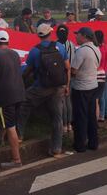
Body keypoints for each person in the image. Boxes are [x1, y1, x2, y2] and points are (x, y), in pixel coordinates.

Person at [18, 24, 69, 157]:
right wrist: (66, 85)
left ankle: (19, 135)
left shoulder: (35, 51)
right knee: (57, 118)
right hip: (58, 87)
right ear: (50, 34)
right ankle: (57, 148)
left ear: (38, 35)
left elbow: (28, 70)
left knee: (24, 104)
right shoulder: (60, 47)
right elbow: (67, 67)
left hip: (41, 87)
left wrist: (20, 81)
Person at [0, 30, 26, 167]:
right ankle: (3, 139)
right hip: (20, 92)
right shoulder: (15, 54)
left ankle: (16, 159)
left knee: (10, 126)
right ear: (7, 42)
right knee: (13, 123)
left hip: (6, 96)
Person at [70, 27, 101, 153]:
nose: (76, 37)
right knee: (91, 116)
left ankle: (80, 144)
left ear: (84, 36)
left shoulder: (82, 51)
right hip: (93, 85)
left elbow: (73, 70)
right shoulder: (96, 49)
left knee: (80, 117)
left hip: (81, 88)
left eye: (77, 35)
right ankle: (93, 142)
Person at [55, 24, 76, 133]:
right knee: (68, 101)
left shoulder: (56, 45)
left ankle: (64, 124)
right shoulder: (71, 45)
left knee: (62, 102)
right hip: (70, 75)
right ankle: (69, 124)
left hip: (61, 76)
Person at [95, 30, 107, 122]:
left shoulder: (97, 48)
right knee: (106, 93)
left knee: (100, 95)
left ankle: (101, 115)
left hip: (100, 72)